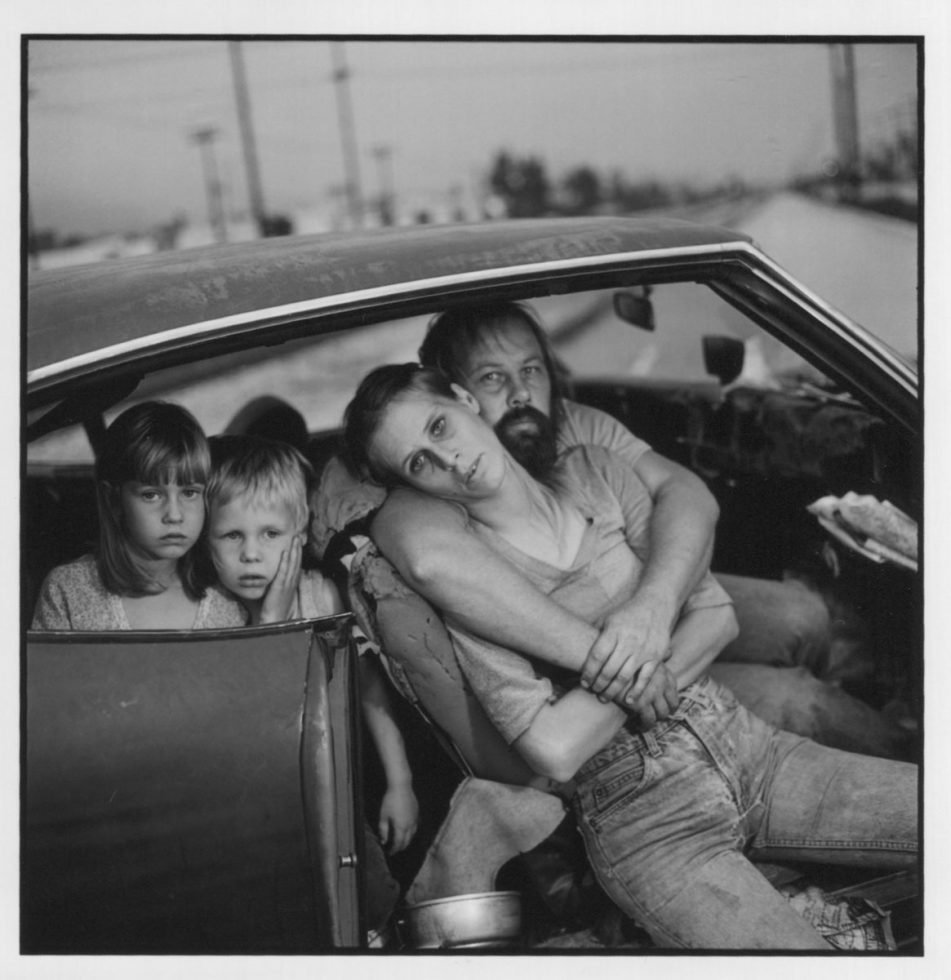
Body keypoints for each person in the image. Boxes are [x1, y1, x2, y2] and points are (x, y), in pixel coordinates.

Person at [342, 363, 918, 950]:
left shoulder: (597, 471)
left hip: (748, 743)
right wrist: (645, 673)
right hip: (642, 814)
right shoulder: (472, 586)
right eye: (419, 463)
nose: (448, 459)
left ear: (465, 398)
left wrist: (644, 625)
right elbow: (553, 748)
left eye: (440, 426)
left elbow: (719, 617)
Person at [362, 302, 904, 756]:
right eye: (493, 379)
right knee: (798, 701)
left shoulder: (575, 426)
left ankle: (834, 742)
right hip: (596, 680)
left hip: (650, 605)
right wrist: (631, 665)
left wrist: (653, 607)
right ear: (462, 396)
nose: (522, 394)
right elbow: (422, 552)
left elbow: (687, 494)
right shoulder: (439, 475)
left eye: (531, 370)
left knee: (803, 615)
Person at [204, 435, 420, 867]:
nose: (250, 554)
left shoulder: (323, 598)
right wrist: (271, 623)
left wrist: (401, 782)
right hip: (252, 803)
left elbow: (367, 689)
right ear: (206, 540)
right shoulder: (210, 613)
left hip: (334, 785)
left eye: (270, 533)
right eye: (231, 535)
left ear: (299, 536)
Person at [32, 401, 246, 631]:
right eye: (151, 495)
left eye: (190, 493)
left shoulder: (228, 594)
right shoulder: (69, 590)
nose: (174, 515)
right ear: (114, 499)